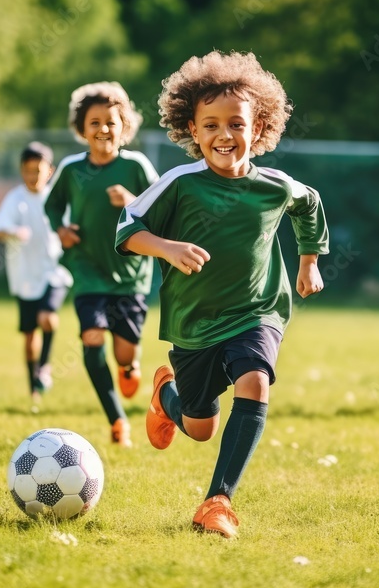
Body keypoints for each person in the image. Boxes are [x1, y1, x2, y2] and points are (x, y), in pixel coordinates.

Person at [116, 50, 329, 538]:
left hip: (259, 312)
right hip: (193, 324)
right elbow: (127, 228)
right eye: (210, 125)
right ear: (193, 130)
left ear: (259, 130)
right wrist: (166, 248)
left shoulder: (275, 185)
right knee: (200, 427)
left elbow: (310, 204)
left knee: (256, 380)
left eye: (237, 124)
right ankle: (165, 397)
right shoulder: (179, 184)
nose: (224, 135)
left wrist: (309, 262)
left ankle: (217, 503)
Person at [44, 82, 159, 447]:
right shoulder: (71, 169)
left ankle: (129, 365)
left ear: (124, 126)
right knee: (92, 338)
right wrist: (61, 230)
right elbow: (51, 205)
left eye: (111, 122)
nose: (103, 130)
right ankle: (117, 420)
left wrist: (132, 201)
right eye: (94, 122)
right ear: (82, 129)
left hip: (130, 275)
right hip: (86, 268)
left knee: (124, 350)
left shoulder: (136, 166)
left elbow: (162, 208)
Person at [0, 141, 72, 408]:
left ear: (50, 171)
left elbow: (72, 227)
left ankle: (45, 368)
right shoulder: (15, 199)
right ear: (21, 170)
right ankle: (34, 386)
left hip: (54, 272)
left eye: (38, 170)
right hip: (25, 278)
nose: (33, 176)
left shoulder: (57, 198)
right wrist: (12, 232)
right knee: (29, 336)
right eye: (28, 170)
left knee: (47, 317)